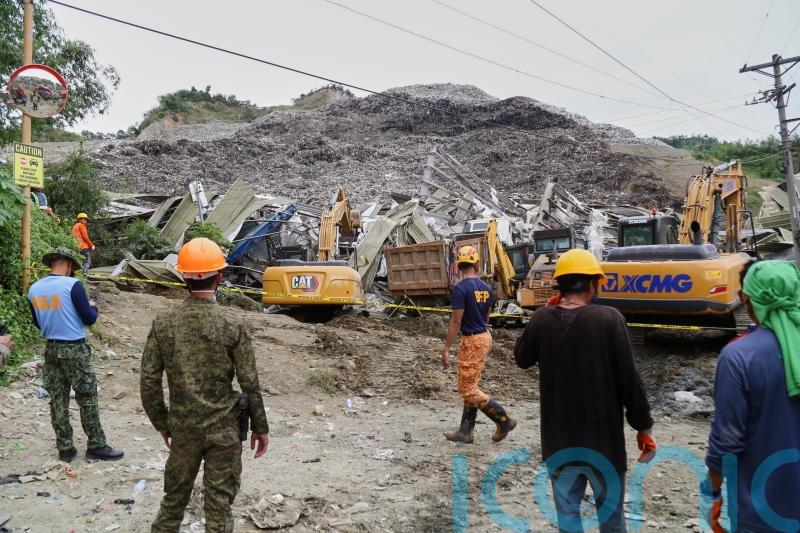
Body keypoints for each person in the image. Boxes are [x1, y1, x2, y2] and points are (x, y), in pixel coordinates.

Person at [514, 249, 654, 533]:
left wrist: (543, 314)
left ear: (560, 285)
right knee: (612, 522)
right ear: (593, 284)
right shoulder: (610, 319)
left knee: (568, 521)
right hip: (604, 445)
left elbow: (522, 357)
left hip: (559, 445)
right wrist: (643, 427)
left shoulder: (542, 319)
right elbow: (629, 379)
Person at [141, 237, 270, 532]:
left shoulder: (163, 323)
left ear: (183, 277)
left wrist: (162, 422)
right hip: (224, 429)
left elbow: (149, 381)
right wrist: (261, 427)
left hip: (183, 429)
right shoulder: (232, 324)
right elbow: (250, 383)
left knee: (172, 503)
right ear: (220, 276)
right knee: (219, 508)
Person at [703, 260, 800, 533]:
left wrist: (712, 493)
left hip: (762, 511)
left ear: (747, 300)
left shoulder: (739, 356)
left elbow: (727, 440)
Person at [27, 247, 124, 462]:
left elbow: (37, 321)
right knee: (87, 396)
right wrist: (93, 307)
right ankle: (96, 445)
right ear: (70, 265)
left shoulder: (34, 288)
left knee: (57, 398)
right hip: (75, 348)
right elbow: (89, 318)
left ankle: (65, 448)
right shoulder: (73, 285)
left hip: (51, 348)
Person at [442, 245, 516, 444]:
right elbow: (487, 315)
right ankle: (466, 431)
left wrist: (447, 347)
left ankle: (503, 419)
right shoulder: (486, 288)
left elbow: (456, 322)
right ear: (475, 263)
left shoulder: (459, 289)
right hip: (484, 335)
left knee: (467, 389)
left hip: (472, 339)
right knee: (471, 384)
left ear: (459, 265)